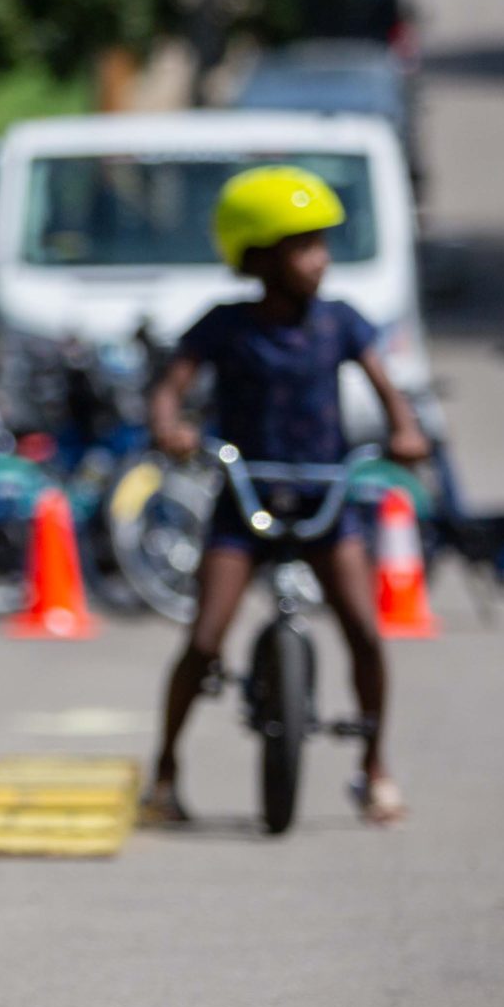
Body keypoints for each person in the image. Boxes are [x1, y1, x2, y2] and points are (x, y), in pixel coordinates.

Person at [143, 166, 428, 829]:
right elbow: (170, 386)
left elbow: (387, 390)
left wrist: (405, 429)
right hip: (245, 495)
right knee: (207, 635)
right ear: (259, 255)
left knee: (363, 628)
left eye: (321, 244)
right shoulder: (226, 326)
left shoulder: (340, 323)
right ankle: (165, 768)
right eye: (303, 246)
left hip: (325, 491)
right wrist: (169, 425)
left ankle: (374, 765)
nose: (319, 259)